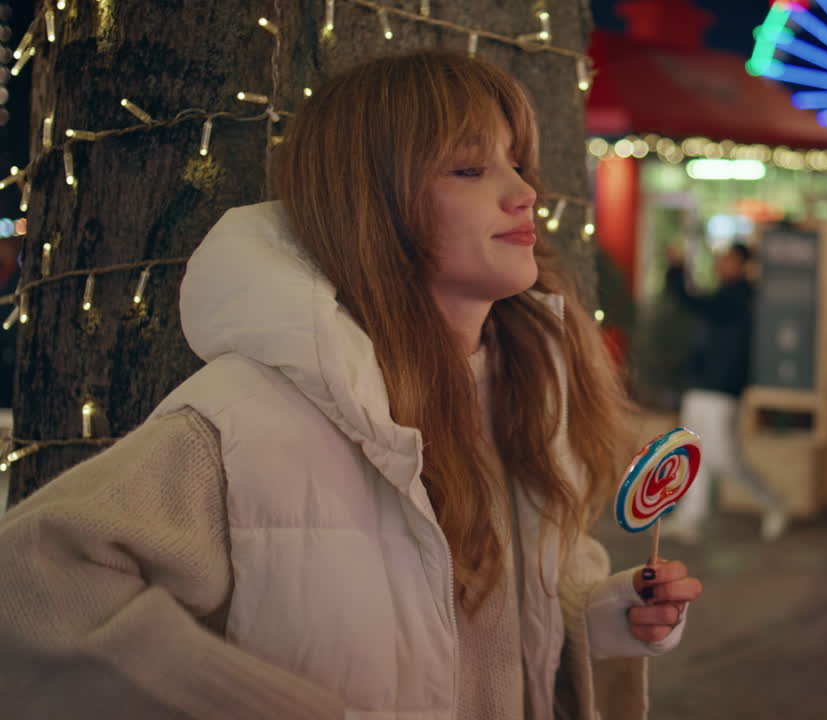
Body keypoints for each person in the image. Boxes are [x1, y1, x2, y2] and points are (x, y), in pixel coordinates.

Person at [0, 51, 701, 719]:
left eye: (517, 164)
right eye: (469, 169)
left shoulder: (530, 388)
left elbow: (502, 629)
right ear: (376, 208)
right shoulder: (249, 418)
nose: (524, 194)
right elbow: (26, 594)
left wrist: (609, 615)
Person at [661, 241, 789, 543]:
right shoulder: (725, 294)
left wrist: (677, 271)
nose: (722, 264)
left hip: (721, 390)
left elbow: (693, 302)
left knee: (723, 457)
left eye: (729, 259)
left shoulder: (741, 296)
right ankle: (690, 519)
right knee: (695, 455)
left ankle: (774, 502)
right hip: (700, 385)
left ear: (743, 264)